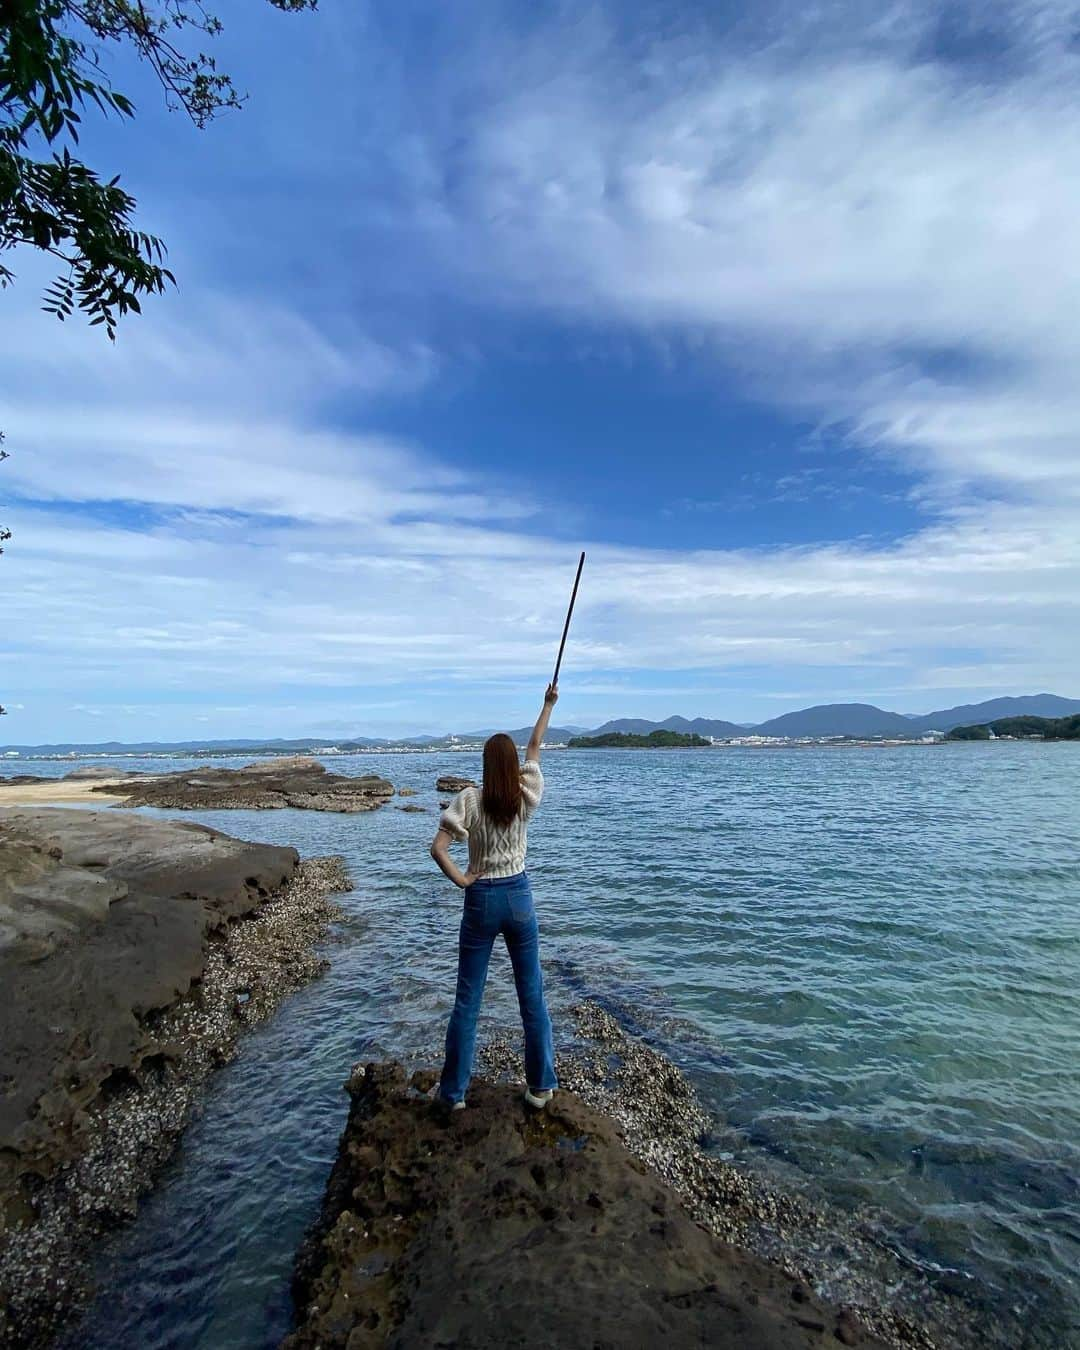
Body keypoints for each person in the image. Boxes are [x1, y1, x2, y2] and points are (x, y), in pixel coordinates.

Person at [429, 683, 560, 1111]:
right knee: (532, 994)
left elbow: (438, 849)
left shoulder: (469, 799)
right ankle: (540, 1087)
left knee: (468, 997)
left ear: (486, 765)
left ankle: (453, 1095)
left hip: (481, 898)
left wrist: (463, 881)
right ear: (512, 767)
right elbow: (536, 744)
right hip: (519, 898)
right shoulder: (525, 799)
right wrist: (548, 705)